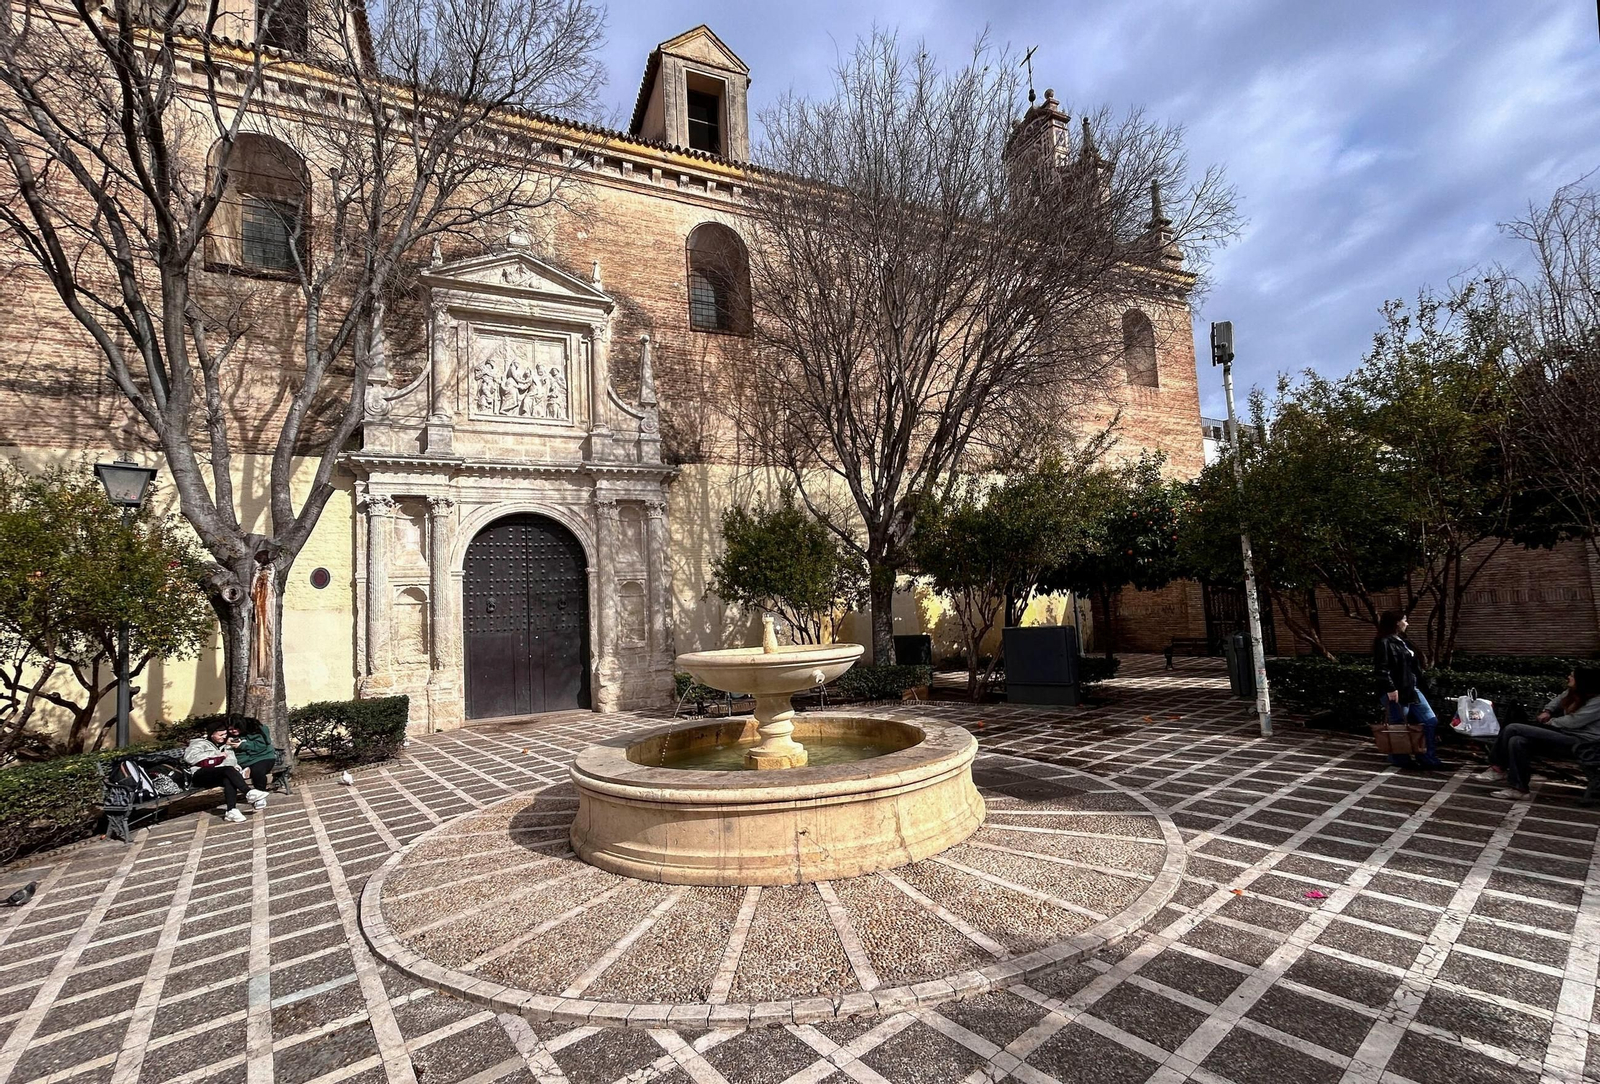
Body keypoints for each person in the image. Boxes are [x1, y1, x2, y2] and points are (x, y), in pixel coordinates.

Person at [1475, 666, 1600, 800]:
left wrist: (1550, 722)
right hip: (1563, 736)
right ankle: (1519, 789)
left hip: (1582, 743)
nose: (1569, 677)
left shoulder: (1597, 701)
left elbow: (1574, 722)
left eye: (1572, 676)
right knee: (1517, 741)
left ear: (1583, 681)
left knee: (1513, 728)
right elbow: (1558, 700)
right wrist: (1548, 710)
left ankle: (1498, 768)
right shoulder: (1574, 692)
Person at [1372, 611, 1445, 769]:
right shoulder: (1383, 642)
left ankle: (1427, 758)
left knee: (1429, 721)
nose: (1407, 623)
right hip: (1396, 691)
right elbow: (1381, 668)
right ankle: (1399, 759)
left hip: (1411, 689)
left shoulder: (1402, 641)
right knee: (1398, 726)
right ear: (1397, 622)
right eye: (1405, 620)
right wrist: (1390, 688)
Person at [184, 722, 269, 822]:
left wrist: (236, 768)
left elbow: (232, 761)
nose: (224, 737)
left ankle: (231, 810)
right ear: (212, 734)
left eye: (225, 734)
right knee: (227, 770)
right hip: (199, 775)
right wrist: (218, 755)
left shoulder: (226, 745)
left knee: (228, 778)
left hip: (220, 774)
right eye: (220, 735)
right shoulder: (199, 744)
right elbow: (190, 758)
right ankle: (248, 792)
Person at [229, 717, 277, 795]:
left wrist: (242, 745)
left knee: (258, 772)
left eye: (236, 728)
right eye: (230, 729)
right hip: (243, 761)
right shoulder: (229, 736)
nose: (233, 731)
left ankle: (260, 793)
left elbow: (261, 746)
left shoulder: (255, 730)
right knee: (230, 774)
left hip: (263, 757)